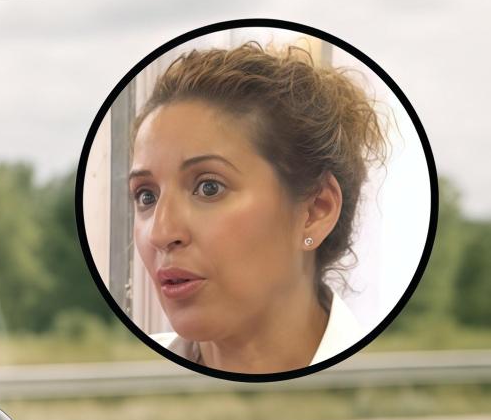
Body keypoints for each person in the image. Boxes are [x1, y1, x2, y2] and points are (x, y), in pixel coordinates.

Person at [127, 40, 389, 374]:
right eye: (146, 196)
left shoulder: (391, 385)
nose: (161, 233)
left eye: (209, 187)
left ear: (315, 211)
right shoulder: (122, 380)